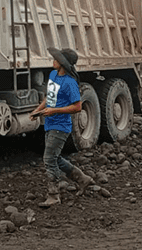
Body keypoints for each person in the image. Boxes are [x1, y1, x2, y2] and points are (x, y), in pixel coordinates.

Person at [29, 47, 94, 208]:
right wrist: (37, 110)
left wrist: (55, 110)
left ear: (63, 64)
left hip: (61, 125)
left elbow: (77, 107)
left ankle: (54, 195)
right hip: (50, 123)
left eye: (56, 59)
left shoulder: (70, 83)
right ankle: (82, 179)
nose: (53, 60)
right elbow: (49, 97)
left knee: (49, 159)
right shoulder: (53, 75)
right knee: (55, 158)